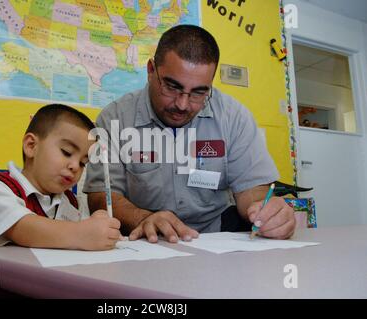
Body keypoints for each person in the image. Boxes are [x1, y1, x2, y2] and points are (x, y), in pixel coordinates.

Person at [83, 25, 296, 244]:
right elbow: (101, 197)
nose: (183, 105)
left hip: (216, 238)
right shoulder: (113, 119)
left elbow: (253, 190)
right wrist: (145, 219)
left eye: (199, 92)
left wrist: (267, 211)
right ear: (150, 70)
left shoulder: (234, 117)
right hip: (145, 240)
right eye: (172, 87)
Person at [0, 104, 122, 251]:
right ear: (31, 146)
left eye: (83, 163)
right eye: (66, 152)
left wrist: (98, 223)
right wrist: (81, 233)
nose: (75, 166)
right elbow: (23, 228)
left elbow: (87, 233)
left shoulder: (70, 202)